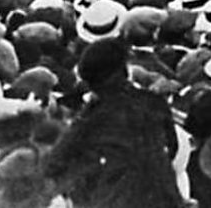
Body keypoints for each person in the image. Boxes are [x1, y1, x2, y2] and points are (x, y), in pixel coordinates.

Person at [45, 37, 182, 207]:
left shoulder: (91, 119)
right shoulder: (153, 103)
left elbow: (55, 163)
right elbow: (173, 147)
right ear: (123, 70)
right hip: (165, 198)